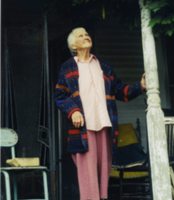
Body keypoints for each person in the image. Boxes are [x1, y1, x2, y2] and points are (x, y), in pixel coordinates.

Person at [54, 27, 146, 200]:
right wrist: (73, 111)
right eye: (80, 35)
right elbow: (60, 95)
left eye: (87, 34)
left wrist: (139, 87)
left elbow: (120, 91)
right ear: (74, 45)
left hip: (104, 124)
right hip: (83, 127)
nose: (86, 36)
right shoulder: (67, 68)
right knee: (87, 173)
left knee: (104, 171)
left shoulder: (103, 67)